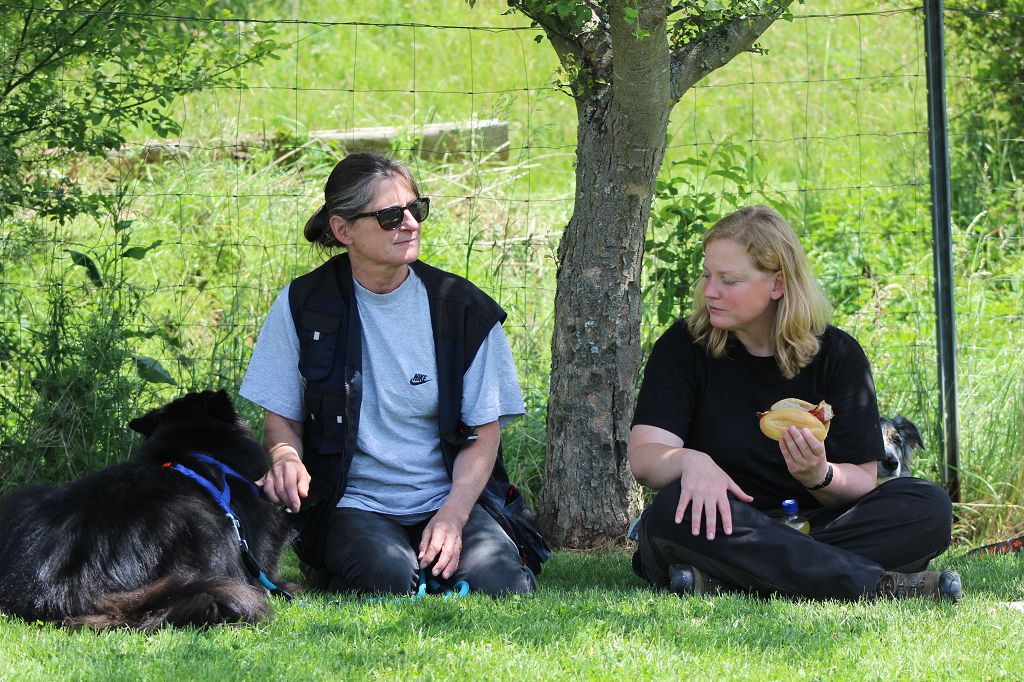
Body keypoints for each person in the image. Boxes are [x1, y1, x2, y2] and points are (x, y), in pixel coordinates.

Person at [240, 152, 540, 596]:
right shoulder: (302, 304)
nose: (411, 224)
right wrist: (286, 459)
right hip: (352, 503)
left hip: (447, 497)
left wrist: (453, 516)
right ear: (343, 230)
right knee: (386, 578)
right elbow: (282, 419)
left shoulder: (462, 309)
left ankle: (441, 557)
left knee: (502, 585)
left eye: (416, 209)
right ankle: (359, 562)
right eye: (390, 216)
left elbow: (484, 433)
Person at [629, 205, 961, 601]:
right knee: (670, 514)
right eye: (707, 275)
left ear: (778, 284)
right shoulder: (684, 346)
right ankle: (874, 585)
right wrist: (689, 461)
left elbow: (862, 479)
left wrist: (818, 475)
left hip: (813, 522)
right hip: (723, 521)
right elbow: (645, 458)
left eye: (728, 280)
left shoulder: (838, 355)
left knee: (928, 506)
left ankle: (729, 578)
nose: (710, 291)